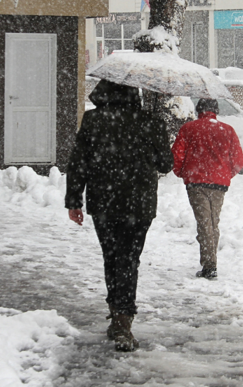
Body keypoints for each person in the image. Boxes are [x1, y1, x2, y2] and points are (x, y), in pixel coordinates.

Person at [65, 80, 173, 352]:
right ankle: (123, 320)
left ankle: (117, 314)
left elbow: (79, 161)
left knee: (112, 257)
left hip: (104, 202)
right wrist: (157, 132)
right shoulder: (149, 121)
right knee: (129, 258)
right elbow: (165, 164)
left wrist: (74, 200)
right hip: (139, 203)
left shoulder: (93, 119)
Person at [171, 98, 243, 280]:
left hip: (196, 182)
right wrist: (226, 174)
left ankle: (209, 265)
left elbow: (177, 155)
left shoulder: (189, 129)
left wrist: (182, 173)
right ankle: (210, 261)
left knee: (204, 222)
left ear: (198, 110)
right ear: (216, 111)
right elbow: (237, 159)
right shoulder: (227, 130)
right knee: (212, 221)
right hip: (219, 184)